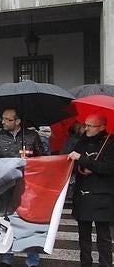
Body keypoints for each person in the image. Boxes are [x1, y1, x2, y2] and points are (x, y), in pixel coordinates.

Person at [0, 108, 45, 267]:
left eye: (7, 119)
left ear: (17, 121)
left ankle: (32, 260)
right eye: (2, 118)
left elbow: (44, 160)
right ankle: (6, 258)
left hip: (29, 188)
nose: (3, 122)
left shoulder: (32, 137)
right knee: (5, 222)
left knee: (31, 223)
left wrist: (31, 160)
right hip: (5, 189)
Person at [67, 114, 114, 267]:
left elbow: (107, 168)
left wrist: (85, 160)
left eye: (90, 126)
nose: (86, 128)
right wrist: (79, 167)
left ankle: (105, 264)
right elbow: (71, 163)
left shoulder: (110, 142)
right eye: (85, 124)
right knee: (83, 237)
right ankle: (85, 263)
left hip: (102, 195)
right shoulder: (81, 141)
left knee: (104, 237)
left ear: (102, 127)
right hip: (83, 194)